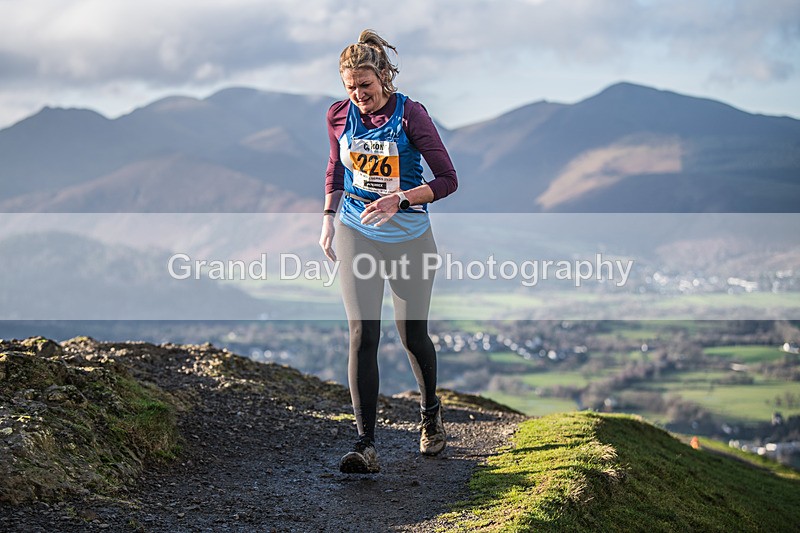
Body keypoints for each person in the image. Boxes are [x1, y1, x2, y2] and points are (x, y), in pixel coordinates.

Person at [319, 29, 458, 474]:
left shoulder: (411, 115)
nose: (359, 95)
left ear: (383, 76)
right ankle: (365, 444)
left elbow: (448, 180)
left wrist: (400, 199)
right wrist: (328, 216)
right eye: (350, 87)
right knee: (363, 333)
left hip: (409, 237)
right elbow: (335, 167)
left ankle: (430, 415)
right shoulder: (338, 115)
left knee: (412, 334)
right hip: (356, 230)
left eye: (366, 85)